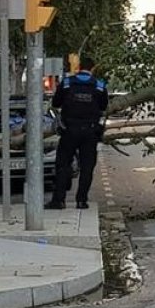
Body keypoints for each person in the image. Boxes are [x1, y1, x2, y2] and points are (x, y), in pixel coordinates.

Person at [46, 56, 108, 210]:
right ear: (93, 68)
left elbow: (56, 103)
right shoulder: (99, 85)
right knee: (87, 167)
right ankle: (81, 201)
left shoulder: (67, 83)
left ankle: (59, 200)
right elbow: (104, 106)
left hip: (69, 130)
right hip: (90, 131)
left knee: (62, 165)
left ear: (79, 67)